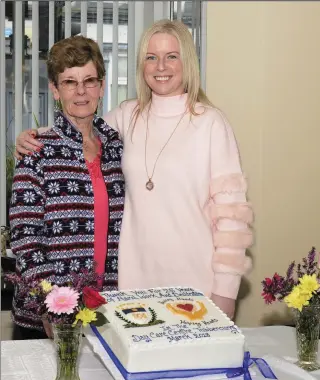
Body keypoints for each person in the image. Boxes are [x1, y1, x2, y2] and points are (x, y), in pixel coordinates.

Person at [14, 19, 253, 320]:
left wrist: (226, 292)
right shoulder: (130, 116)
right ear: (141, 65)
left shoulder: (211, 123)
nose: (160, 66)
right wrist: (34, 137)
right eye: (151, 57)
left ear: (187, 61)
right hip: (131, 289)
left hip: (196, 285)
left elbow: (232, 219)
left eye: (171, 56)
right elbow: (80, 126)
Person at [10, 35, 124, 339]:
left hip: (108, 310)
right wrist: (55, 303)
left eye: (89, 80)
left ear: (101, 86)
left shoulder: (118, 148)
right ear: (55, 90)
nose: (81, 91)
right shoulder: (37, 150)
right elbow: (25, 238)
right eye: (70, 82)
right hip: (48, 318)